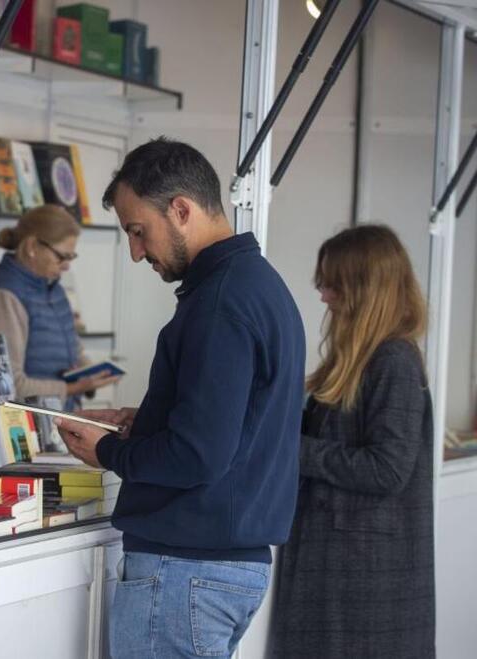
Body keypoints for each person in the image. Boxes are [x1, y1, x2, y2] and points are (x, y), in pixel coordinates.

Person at [54, 138, 306, 659]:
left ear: (181, 210)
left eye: (138, 231)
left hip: (185, 568)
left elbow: (198, 454)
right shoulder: (259, 286)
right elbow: (238, 425)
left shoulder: (219, 304)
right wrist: (144, 420)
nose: (136, 251)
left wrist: (106, 452)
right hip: (222, 565)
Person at [269, 225, 434, 658]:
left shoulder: (394, 361)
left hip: (363, 577)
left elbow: (388, 468)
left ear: (363, 287)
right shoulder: (360, 359)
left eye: (331, 282)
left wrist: (290, 450)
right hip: (339, 567)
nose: (322, 294)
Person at [0, 204, 120, 410]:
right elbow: (7, 385)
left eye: (71, 257)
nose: (67, 266)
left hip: (57, 421)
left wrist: (90, 371)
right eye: (62, 256)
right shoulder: (4, 297)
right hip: (23, 428)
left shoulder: (52, 288)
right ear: (32, 247)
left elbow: (73, 349)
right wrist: (73, 388)